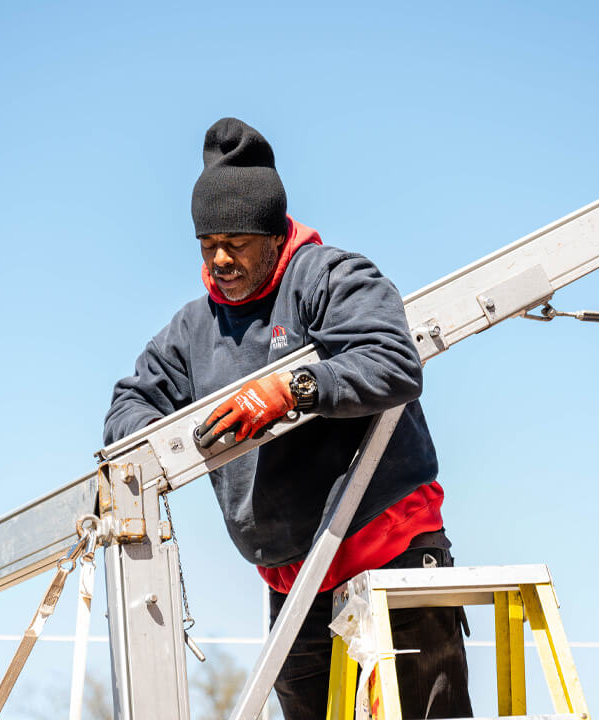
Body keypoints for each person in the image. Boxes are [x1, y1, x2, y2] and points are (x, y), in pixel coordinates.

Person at [103, 117, 472, 719]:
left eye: (237, 242)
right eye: (207, 244)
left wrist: (294, 389)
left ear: (274, 234)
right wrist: (159, 443)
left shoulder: (328, 279)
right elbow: (128, 407)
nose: (220, 259)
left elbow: (393, 363)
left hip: (390, 554)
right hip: (295, 587)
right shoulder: (192, 332)